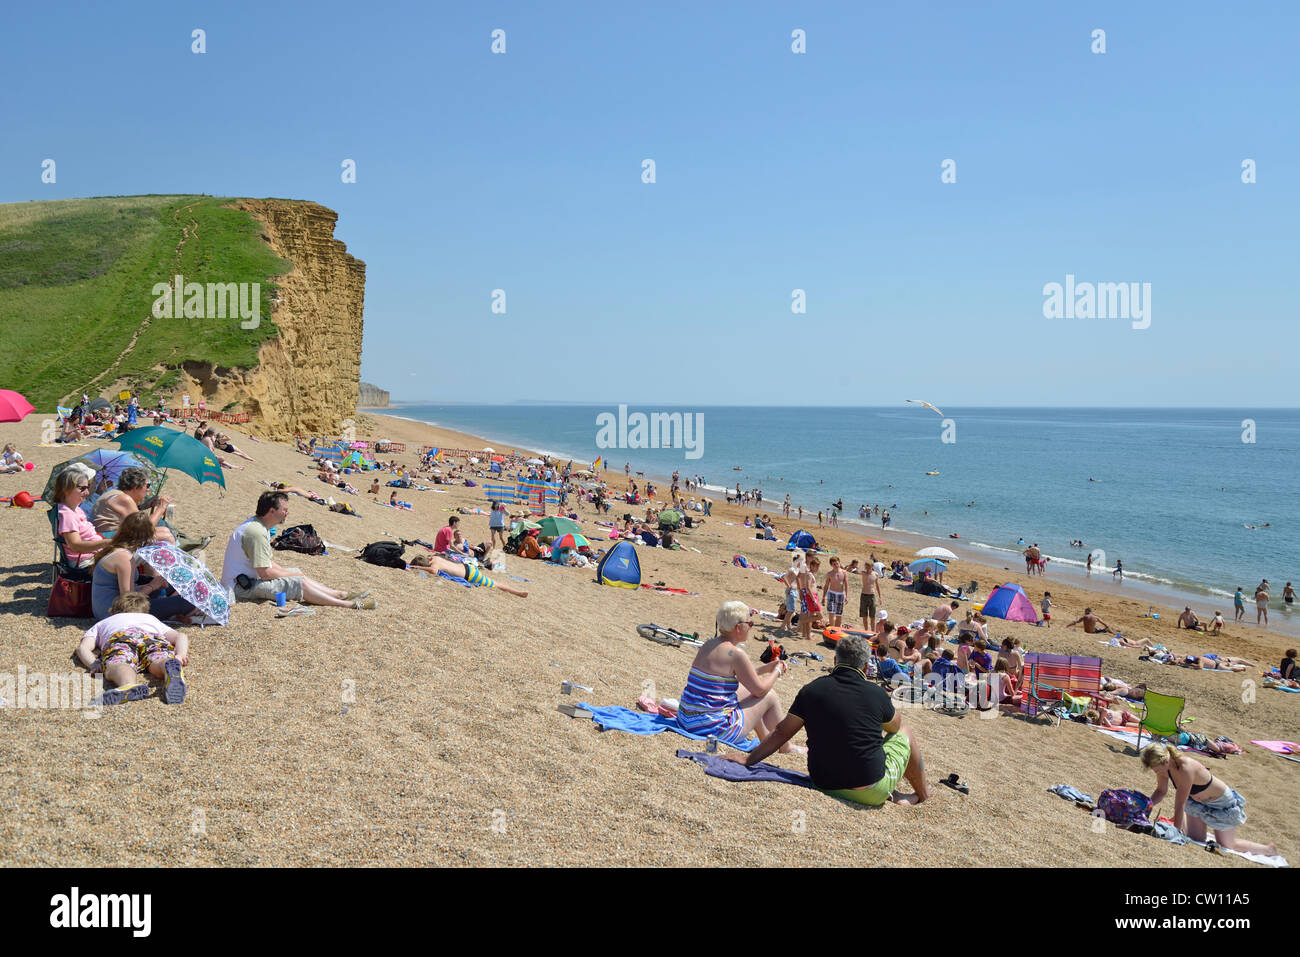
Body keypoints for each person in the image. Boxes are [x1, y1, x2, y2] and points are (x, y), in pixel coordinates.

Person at [726, 635, 932, 806]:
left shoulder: (812, 689)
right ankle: (922, 795)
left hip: (823, 782)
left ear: (835, 661)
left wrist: (748, 759)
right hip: (869, 790)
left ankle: (892, 791)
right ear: (866, 666)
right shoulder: (876, 693)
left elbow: (782, 732)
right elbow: (894, 727)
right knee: (905, 732)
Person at [674, 601, 802, 753]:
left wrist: (765, 669)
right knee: (768, 696)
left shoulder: (709, 644)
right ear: (738, 627)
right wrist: (777, 672)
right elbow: (759, 690)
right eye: (750, 623)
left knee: (745, 691)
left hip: (687, 719)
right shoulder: (736, 654)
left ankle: (764, 738)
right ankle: (786, 747)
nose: (751, 626)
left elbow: (733, 675)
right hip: (713, 730)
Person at [221, 491, 375, 609]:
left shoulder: (259, 526)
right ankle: (346, 604)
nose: (287, 513)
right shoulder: (255, 532)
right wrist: (294, 575)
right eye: (285, 510)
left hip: (247, 581)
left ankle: (339, 594)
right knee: (297, 581)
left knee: (296, 573)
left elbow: (268, 562)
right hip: (240, 588)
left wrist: (293, 572)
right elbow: (265, 573)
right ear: (271, 511)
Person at [1140, 742, 1276, 855]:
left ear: (1166, 761)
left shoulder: (1186, 768)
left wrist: (1175, 833)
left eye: (1157, 769)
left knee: (1228, 845)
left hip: (1222, 804)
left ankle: (1268, 849)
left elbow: (1180, 804)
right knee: (1195, 839)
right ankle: (1187, 827)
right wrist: (1145, 808)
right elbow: (1161, 791)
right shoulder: (1164, 768)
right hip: (1196, 803)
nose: (1156, 773)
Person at [75, 592, 189, 706]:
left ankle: (127, 684)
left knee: (120, 663)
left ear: (113, 611)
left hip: (122, 638)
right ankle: (168, 665)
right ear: (145, 610)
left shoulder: (104, 622)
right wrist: (180, 655)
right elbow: (180, 636)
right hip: (151, 637)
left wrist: (93, 664)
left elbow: (83, 648)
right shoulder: (150, 618)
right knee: (158, 659)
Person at [91, 512, 195, 621]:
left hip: (107, 607)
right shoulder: (124, 558)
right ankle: (174, 612)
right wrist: (151, 586)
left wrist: (155, 585)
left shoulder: (115, 548)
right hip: (114, 613)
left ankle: (171, 611)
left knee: (174, 585)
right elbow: (128, 600)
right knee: (189, 600)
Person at [91, 467, 177, 544]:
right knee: (167, 537)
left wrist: (143, 506)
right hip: (109, 539)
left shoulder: (116, 494)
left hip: (109, 535)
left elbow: (130, 518)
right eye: (147, 485)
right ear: (136, 487)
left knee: (164, 530)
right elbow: (145, 529)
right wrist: (161, 507)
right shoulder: (124, 499)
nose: (148, 489)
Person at [52, 465, 113, 568]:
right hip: (85, 560)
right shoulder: (68, 514)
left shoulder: (75, 508)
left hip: (91, 554)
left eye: (87, 487)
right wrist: (105, 543)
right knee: (133, 558)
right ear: (67, 489)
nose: (87, 492)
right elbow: (76, 545)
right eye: (83, 488)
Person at [407, 553, 527, 597]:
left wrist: (416, 567)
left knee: (496, 584)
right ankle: (517, 591)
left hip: (471, 575)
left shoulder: (434, 567)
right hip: (467, 567)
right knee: (494, 582)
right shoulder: (435, 558)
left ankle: (518, 593)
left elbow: (433, 571)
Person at [822, 556, 848, 629]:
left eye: (837, 563)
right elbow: (826, 585)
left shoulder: (844, 572)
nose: (836, 565)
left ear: (839, 563)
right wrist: (823, 597)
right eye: (834, 564)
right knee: (831, 612)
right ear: (831, 565)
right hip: (831, 593)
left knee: (839, 614)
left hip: (840, 594)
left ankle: (837, 630)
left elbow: (846, 585)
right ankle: (831, 629)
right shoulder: (830, 573)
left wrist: (847, 596)